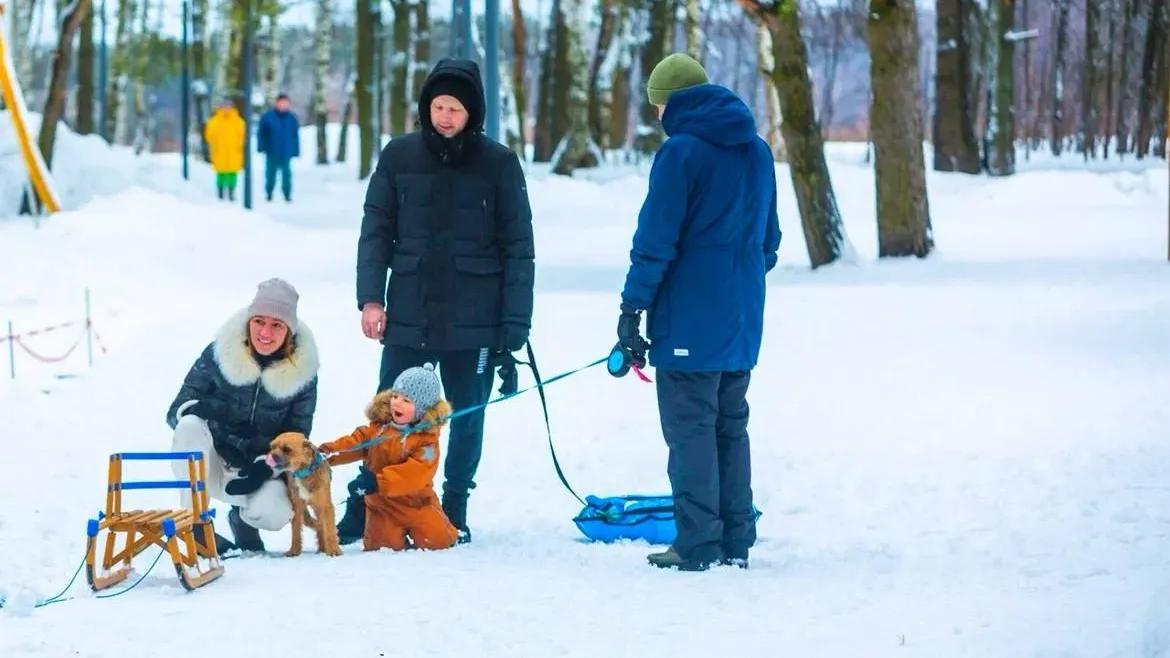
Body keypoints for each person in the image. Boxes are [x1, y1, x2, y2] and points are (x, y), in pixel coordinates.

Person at [345, 57, 535, 546]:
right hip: (410, 307)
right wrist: (370, 299)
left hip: (475, 318)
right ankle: (368, 500)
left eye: (455, 108)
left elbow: (519, 247)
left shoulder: (499, 163)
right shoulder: (398, 157)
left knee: (467, 412)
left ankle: (454, 503)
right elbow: (376, 232)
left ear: (473, 113)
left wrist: (515, 323)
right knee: (388, 410)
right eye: (438, 106)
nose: (446, 116)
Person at [615, 53, 782, 572]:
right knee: (730, 426)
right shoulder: (756, 150)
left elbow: (655, 241)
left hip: (689, 318)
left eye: (657, 106)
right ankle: (736, 537)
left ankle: (697, 543)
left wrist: (633, 308)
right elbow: (769, 241)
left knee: (690, 429)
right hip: (742, 317)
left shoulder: (681, 153)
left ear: (668, 103)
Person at [165, 278, 320, 556]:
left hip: (254, 472)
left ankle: (244, 522)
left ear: (289, 331)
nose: (265, 332)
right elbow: (175, 412)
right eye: (259, 321)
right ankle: (196, 523)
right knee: (188, 425)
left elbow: (297, 437)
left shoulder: (302, 376)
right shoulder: (219, 353)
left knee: (275, 512)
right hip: (210, 463)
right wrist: (212, 409)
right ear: (249, 320)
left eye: (277, 325)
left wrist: (265, 467)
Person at [319, 363, 460, 552]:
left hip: (417, 504)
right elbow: (353, 444)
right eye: (394, 396)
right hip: (382, 506)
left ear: (423, 409)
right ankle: (370, 526)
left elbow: (417, 473)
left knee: (436, 542)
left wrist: (377, 482)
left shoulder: (426, 441)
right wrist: (325, 454)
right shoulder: (377, 430)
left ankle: (447, 532)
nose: (396, 403)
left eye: (406, 400)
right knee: (381, 547)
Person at [256, 93, 300, 203]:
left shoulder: (292, 118)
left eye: (285, 103)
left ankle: (287, 194)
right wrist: (261, 147)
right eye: (281, 103)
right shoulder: (268, 117)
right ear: (276, 103)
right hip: (272, 150)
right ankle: (269, 193)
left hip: (286, 152)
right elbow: (262, 133)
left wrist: (296, 150)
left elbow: (295, 135)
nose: (283, 105)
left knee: (286, 176)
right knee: (270, 175)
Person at [204, 98, 246, 201]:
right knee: (221, 172)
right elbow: (209, 135)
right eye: (224, 107)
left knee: (232, 173)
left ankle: (231, 192)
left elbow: (242, 135)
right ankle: (220, 192)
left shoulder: (238, 121)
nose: (226, 109)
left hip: (233, 151)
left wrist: (238, 145)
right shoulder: (214, 121)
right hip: (220, 151)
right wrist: (215, 145)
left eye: (228, 107)